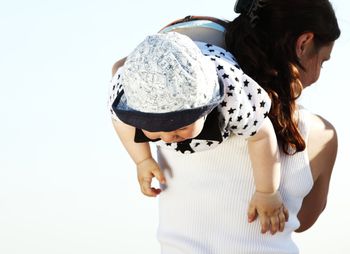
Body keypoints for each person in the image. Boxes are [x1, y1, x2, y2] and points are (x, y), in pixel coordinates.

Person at [111, 0, 340, 253]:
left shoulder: (169, 109)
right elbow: (301, 221)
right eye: (324, 60)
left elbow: (121, 69)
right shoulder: (318, 134)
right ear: (304, 43)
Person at [109, 30, 288, 235]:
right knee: (116, 69)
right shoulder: (124, 92)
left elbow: (261, 135)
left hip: (206, 39)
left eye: (181, 126)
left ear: (206, 108)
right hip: (151, 61)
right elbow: (118, 121)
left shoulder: (232, 91)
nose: (168, 138)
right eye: (154, 128)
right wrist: (142, 160)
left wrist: (267, 191)